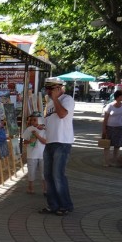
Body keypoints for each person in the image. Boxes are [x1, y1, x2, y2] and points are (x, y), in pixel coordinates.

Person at [39, 77, 75, 216]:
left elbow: (62, 114)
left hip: (62, 142)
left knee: (58, 175)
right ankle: (53, 205)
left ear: (59, 88)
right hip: (49, 142)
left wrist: (55, 99)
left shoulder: (67, 99)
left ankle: (65, 205)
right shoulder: (49, 102)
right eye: (47, 89)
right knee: (48, 175)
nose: (48, 91)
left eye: (50, 88)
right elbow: (49, 121)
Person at [102, 90, 122, 166]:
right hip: (109, 127)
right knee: (107, 145)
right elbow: (105, 119)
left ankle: (114, 161)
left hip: (119, 127)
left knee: (117, 145)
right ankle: (106, 162)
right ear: (117, 97)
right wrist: (104, 129)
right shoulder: (110, 106)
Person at [22, 114, 47, 195]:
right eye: (31, 120)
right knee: (31, 172)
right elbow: (24, 142)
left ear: (40, 120)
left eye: (35, 120)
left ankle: (45, 189)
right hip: (31, 155)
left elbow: (45, 141)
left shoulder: (44, 129)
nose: (32, 121)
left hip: (42, 154)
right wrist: (30, 141)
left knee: (44, 173)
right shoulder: (29, 129)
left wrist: (37, 135)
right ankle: (31, 188)